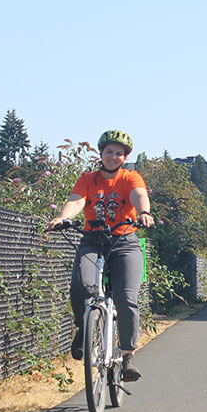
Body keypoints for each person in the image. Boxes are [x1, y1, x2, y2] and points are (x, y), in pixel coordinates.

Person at [48, 130, 154, 380]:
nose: (113, 156)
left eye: (119, 153)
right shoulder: (88, 179)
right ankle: (83, 327)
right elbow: (76, 201)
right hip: (93, 241)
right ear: (101, 153)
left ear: (125, 156)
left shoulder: (131, 177)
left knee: (127, 298)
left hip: (124, 242)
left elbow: (139, 196)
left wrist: (144, 213)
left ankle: (127, 357)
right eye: (109, 152)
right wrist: (64, 218)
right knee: (80, 287)